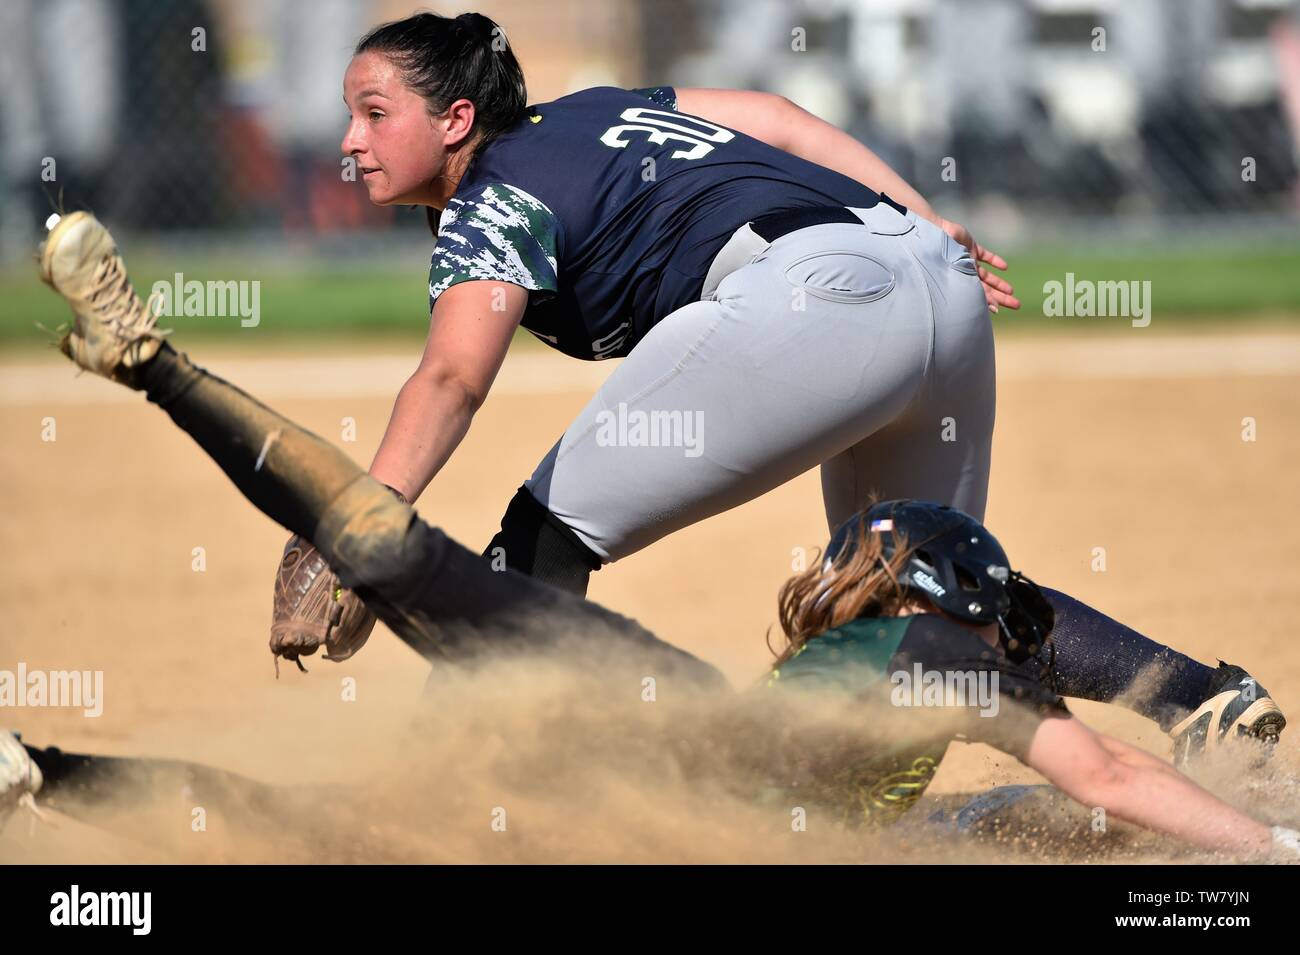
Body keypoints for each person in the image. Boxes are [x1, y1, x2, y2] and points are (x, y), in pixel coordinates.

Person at [14, 210, 1295, 860]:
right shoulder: (935, 666)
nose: (1004, 635)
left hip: (621, 719)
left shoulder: (876, 670)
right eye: (987, 607)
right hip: (634, 787)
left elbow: (976, 811)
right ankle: (47, 765)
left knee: (394, 581)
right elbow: (1105, 781)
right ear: (937, 604)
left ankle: (45, 762)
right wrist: (1270, 845)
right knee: (330, 828)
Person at [262, 13, 1282, 767]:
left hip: (815, 304)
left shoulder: (490, 198)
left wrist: (362, 525)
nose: (348, 139)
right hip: (925, 280)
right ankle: (1202, 699)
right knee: (908, 597)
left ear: (455, 119)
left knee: (537, 546)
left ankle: (469, 798)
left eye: (372, 113)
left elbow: (449, 377)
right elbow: (776, 120)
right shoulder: (599, 114)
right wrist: (925, 219)